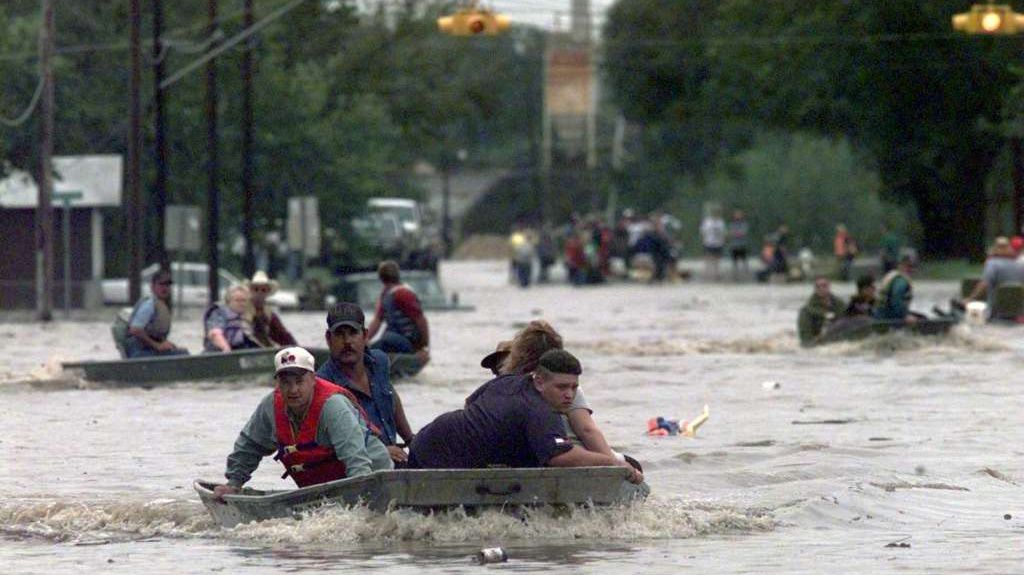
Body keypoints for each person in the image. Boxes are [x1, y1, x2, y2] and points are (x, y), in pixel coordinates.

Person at [408, 349, 642, 484]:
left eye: (574, 387)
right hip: (437, 456)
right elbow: (560, 458)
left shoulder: (508, 381)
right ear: (539, 380)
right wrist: (612, 462)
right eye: (561, 387)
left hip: (426, 439)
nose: (569, 395)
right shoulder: (540, 410)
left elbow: (471, 402)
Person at [211, 347, 392, 500]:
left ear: (313, 379)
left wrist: (361, 506)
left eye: (299, 381)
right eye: (286, 382)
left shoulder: (333, 406)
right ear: (278, 383)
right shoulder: (271, 406)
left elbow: (357, 462)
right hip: (324, 490)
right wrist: (234, 484)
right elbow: (250, 445)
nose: (293, 390)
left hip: (372, 477)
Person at [493, 320, 627, 466]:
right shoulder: (562, 387)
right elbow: (586, 430)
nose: (569, 393)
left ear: (517, 354)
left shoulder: (504, 388)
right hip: (562, 453)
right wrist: (614, 463)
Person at [318, 302, 416, 465]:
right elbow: (331, 442)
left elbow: (391, 396)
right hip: (358, 468)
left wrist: (411, 439)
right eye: (340, 334)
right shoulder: (324, 385)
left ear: (364, 336)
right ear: (329, 338)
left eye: (353, 333)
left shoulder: (379, 362)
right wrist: (380, 451)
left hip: (396, 461)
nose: (347, 341)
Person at [366, 260, 430, 356]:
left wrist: (423, 345)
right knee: (384, 340)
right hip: (398, 340)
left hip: (407, 342)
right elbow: (377, 321)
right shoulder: (388, 293)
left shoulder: (402, 293)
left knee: (386, 339)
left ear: (381, 278)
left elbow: (420, 320)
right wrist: (364, 341)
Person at [124, 269, 187, 358]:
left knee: (180, 351)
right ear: (152, 287)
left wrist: (163, 344)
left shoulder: (159, 304)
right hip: (139, 352)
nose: (165, 288)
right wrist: (157, 345)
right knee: (183, 355)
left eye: (168, 285)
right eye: (161, 284)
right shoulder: (149, 305)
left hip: (147, 349)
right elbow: (135, 330)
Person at [962, 237, 1024, 318]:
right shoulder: (1020, 264)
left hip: (996, 311)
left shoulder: (992, 263)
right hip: (1019, 310)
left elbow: (984, 284)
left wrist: (970, 299)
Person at [245, 270, 297, 348]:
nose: (259, 293)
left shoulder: (269, 313)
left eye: (263, 290)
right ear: (250, 291)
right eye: (256, 289)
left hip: (265, 349)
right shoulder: (242, 309)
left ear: (267, 292)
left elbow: (284, 335)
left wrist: (297, 348)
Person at [204, 285, 262, 352]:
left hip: (242, 352)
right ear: (229, 301)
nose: (241, 304)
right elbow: (215, 333)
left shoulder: (250, 316)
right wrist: (225, 348)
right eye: (237, 300)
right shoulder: (219, 313)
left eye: (244, 300)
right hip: (218, 354)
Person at [797, 276, 846, 345]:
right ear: (815, 289)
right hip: (818, 342)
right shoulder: (806, 311)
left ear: (829, 286)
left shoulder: (841, 305)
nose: (821, 289)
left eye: (824, 285)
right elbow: (805, 338)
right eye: (818, 286)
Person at [874, 255, 919, 323]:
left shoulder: (892, 275)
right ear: (900, 265)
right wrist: (905, 316)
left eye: (913, 267)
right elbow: (896, 299)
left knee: (919, 316)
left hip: (880, 313)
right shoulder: (901, 281)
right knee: (922, 318)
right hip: (889, 316)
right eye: (908, 266)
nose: (911, 269)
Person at [700, 209, 726, 281]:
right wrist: (704, 240)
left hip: (718, 243)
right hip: (708, 242)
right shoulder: (707, 222)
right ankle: (707, 273)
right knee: (708, 258)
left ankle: (716, 274)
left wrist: (722, 240)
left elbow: (723, 232)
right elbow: (703, 231)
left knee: (717, 259)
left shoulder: (721, 222)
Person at [727, 209, 750, 280]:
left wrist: (735, 233)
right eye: (736, 214)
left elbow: (743, 233)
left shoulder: (744, 224)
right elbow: (730, 233)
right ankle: (735, 276)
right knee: (734, 262)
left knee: (744, 261)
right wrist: (736, 233)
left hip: (742, 245)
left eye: (739, 214)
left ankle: (746, 276)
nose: (738, 216)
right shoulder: (731, 224)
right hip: (734, 245)